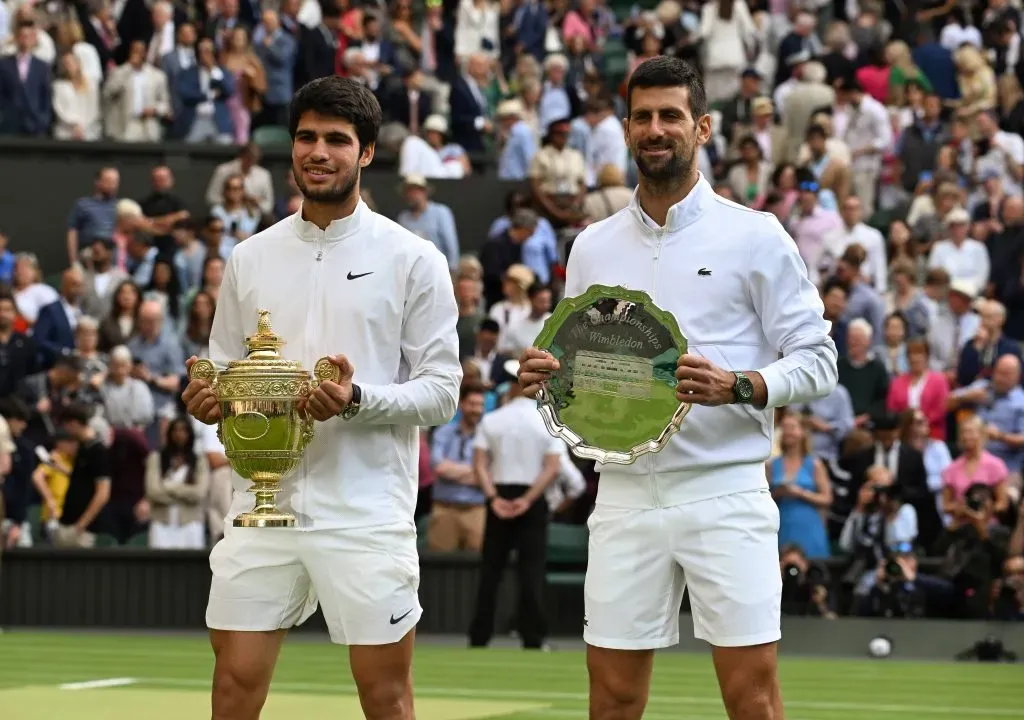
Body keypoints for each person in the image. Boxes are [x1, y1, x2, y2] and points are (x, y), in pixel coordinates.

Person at [517, 57, 838, 719]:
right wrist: (547, 381)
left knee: (751, 698)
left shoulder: (757, 235)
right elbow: (583, 367)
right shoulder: (592, 246)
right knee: (610, 698)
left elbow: (818, 361)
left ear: (704, 127)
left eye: (671, 116)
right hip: (624, 495)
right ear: (626, 129)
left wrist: (742, 385)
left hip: (725, 491)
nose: (656, 129)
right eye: (643, 117)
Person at [180, 76, 462, 720]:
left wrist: (355, 398)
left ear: (365, 153)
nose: (318, 151)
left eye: (338, 140)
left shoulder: (413, 258)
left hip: (364, 512)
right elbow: (223, 368)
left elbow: (443, 392)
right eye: (307, 137)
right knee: (233, 687)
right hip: (260, 506)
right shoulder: (250, 257)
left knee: (385, 697)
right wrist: (209, 401)